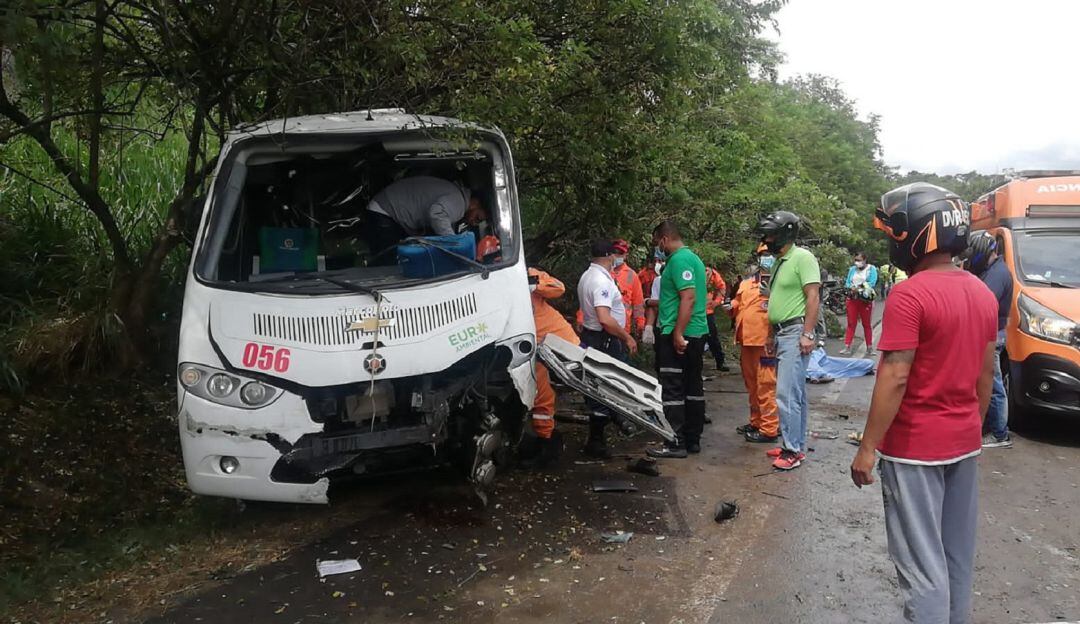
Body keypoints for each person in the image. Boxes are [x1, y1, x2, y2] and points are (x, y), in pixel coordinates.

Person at [851, 182, 997, 623]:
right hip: (963, 443)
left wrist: (867, 447)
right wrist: (971, 427)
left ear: (917, 233)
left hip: (915, 448)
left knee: (921, 565)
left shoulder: (910, 294)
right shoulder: (982, 292)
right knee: (956, 556)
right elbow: (985, 375)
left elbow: (896, 375)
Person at [757, 211, 820, 470]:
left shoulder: (802, 258)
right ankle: (795, 444)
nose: (767, 240)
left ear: (785, 234)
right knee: (796, 394)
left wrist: (808, 333)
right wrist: (771, 334)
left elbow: (813, 296)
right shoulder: (779, 262)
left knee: (786, 394)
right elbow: (776, 301)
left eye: (771, 235)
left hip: (796, 331)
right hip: (782, 332)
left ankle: (791, 450)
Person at [646, 221, 708, 458]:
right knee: (693, 385)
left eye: (657, 242)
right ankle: (692, 440)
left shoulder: (680, 260)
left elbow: (688, 297)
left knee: (672, 388)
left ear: (664, 239)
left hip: (679, 332)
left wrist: (678, 332)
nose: (657, 248)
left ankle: (675, 442)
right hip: (696, 332)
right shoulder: (693, 259)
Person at [577, 239, 638, 458]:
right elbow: (604, 318)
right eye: (615, 255)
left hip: (593, 337)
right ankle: (600, 437)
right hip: (605, 339)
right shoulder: (600, 281)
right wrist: (627, 337)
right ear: (609, 256)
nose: (617, 259)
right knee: (607, 385)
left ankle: (602, 434)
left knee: (597, 384)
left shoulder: (588, 275)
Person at [525, 267, 580, 467]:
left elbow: (558, 288)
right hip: (536, 347)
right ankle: (543, 440)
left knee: (542, 397)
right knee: (538, 396)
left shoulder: (528, 274)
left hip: (556, 345)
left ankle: (547, 444)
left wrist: (534, 285)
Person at [965, 232, 1014, 449]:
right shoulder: (992, 270)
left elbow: (982, 303)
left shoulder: (997, 274)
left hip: (992, 335)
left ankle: (1000, 433)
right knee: (986, 381)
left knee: (993, 384)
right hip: (991, 333)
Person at [365, 176, 487, 262]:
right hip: (385, 212)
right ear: (475, 203)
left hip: (384, 209)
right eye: (477, 218)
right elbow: (437, 213)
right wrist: (454, 245)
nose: (474, 223)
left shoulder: (455, 196)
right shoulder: (459, 203)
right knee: (388, 267)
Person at [729, 246, 779, 444]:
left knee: (766, 385)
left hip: (765, 342)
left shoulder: (779, 283)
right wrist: (730, 306)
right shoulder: (747, 283)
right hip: (746, 340)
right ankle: (756, 422)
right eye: (763, 255)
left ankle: (769, 428)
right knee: (751, 385)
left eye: (770, 255)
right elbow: (738, 304)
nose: (766, 258)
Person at [575, 239, 645, 336]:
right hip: (600, 327)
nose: (617, 256)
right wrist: (581, 317)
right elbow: (588, 298)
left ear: (625, 255)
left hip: (623, 329)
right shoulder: (601, 273)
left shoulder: (631, 275)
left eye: (620, 253)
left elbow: (638, 303)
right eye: (615, 252)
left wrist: (640, 323)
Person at [840, 252, 879, 357]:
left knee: (866, 324)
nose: (857, 262)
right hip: (852, 299)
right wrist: (851, 287)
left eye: (859, 260)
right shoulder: (852, 269)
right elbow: (847, 282)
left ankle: (869, 347)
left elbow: (872, 282)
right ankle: (847, 346)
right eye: (856, 260)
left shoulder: (871, 269)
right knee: (851, 323)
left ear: (865, 260)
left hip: (865, 300)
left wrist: (860, 287)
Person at [704, 266, 730, 371]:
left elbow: (721, 287)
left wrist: (716, 302)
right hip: (691, 311)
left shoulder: (713, 274)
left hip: (707, 311)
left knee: (712, 337)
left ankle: (720, 361)